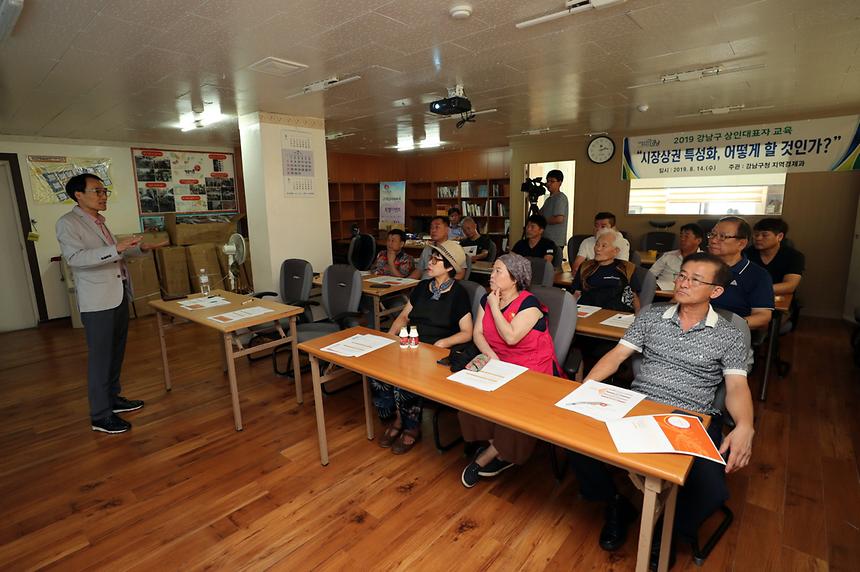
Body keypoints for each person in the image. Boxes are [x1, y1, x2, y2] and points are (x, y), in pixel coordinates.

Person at [568, 253, 754, 569]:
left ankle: (665, 532)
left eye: (696, 279)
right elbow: (616, 357)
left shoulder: (729, 334)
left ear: (716, 291)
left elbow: (736, 386)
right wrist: (584, 388)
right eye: (682, 275)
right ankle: (615, 503)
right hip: (639, 403)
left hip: (693, 415)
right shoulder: (652, 316)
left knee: (712, 490)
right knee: (573, 437)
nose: (683, 282)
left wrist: (746, 425)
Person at [56, 173, 168, 434]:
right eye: (97, 191)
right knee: (100, 358)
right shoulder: (68, 223)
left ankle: (113, 399)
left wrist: (141, 249)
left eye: (104, 191)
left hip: (117, 295)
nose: (103, 195)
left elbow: (114, 252)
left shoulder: (99, 222)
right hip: (98, 301)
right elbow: (76, 258)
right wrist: (117, 247)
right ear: (78, 195)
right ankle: (100, 415)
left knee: (116, 353)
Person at [458, 253, 562, 487]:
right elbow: (478, 334)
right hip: (498, 362)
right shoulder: (488, 298)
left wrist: (495, 307)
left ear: (514, 279)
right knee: (468, 396)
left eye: (497, 271)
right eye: (492, 270)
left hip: (532, 369)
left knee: (514, 410)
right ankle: (498, 448)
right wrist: (492, 358)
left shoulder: (529, 304)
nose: (491, 275)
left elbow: (511, 336)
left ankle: (488, 456)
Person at [374, 241, 473, 454]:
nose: (429, 262)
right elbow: (402, 317)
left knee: (405, 380)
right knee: (377, 372)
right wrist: (386, 341)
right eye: (431, 258)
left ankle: (409, 427)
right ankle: (396, 416)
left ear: (449, 267)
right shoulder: (421, 287)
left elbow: (468, 331)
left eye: (436, 260)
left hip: (436, 351)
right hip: (411, 344)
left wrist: (443, 343)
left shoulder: (459, 294)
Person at [707, 216, 773, 330]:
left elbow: (763, 316)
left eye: (722, 237)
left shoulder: (758, 275)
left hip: (730, 332)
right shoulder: (700, 266)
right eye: (712, 234)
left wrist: (727, 327)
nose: (713, 240)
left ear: (741, 244)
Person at [570, 228, 641, 313]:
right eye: (597, 244)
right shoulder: (585, 267)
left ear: (616, 251)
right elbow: (576, 294)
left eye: (604, 246)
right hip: (587, 312)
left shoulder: (627, 268)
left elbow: (634, 297)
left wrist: (639, 320)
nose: (598, 249)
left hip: (614, 314)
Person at [747, 218, 804, 296]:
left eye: (765, 235)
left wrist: (756, 290)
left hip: (779, 298)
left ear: (779, 237)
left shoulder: (794, 256)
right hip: (748, 298)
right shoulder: (746, 253)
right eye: (756, 235)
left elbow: (790, 286)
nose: (758, 238)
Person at [572, 212, 631, 276]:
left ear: (613, 228)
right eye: (596, 226)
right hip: (589, 278)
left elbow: (622, 268)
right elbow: (576, 267)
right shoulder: (587, 242)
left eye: (603, 226)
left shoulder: (622, 243)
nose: (598, 229)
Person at [649, 223, 704, 290]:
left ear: (698, 240)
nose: (682, 239)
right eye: (681, 236)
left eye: (686, 236)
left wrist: (662, 286)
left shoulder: (705, 260)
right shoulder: (668, 256)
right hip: (660, 295)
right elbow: (649, 275)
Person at [410, 216, 465, 280]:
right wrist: (404, 282)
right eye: (431, 227)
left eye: (437, 227)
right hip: (424, 285)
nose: (433, 230)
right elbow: (418, 271)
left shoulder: (455, 249)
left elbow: (460, 273)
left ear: (447, 230)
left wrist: (447, 286)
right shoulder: (428, 248)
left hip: (443, 286)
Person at [539, 169, 569, 268]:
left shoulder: (560, 197)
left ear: (560, 182)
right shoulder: (549, 199)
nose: (548, 184)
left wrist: (543, 221)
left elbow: (559, 219)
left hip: (555, 240)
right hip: (546, 238)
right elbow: (539, 214)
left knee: (551, 268)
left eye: (552, 181)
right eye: (547, 181)